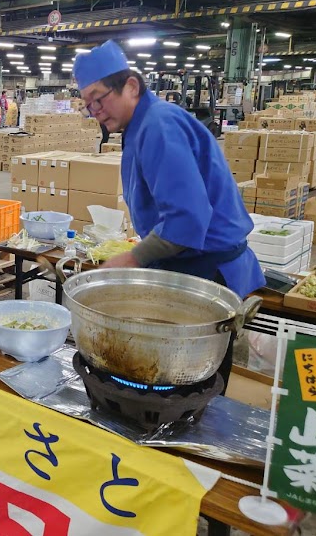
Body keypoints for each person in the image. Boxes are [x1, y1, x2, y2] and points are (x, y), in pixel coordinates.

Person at [73, 40, 265, 389]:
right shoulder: (139, 126)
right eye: (88, 104)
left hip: (207, 273)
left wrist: (133, 258)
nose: (95, 111)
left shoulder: (159, 125)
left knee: (191, 379)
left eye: (99, 98)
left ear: (131, 85)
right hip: (188, 263)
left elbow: (187, 220)